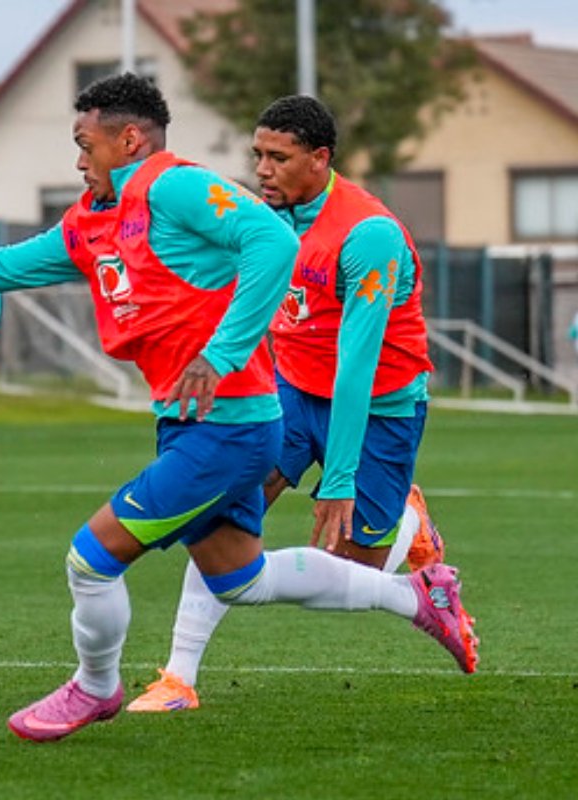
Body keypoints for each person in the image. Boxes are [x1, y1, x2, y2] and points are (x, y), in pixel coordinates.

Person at [0, 73, 478, 742]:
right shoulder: (92, 219)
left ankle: (95, 687)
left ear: (129, 139)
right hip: (203, 418)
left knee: (90, 558)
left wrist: (225, 355)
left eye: (86, 144)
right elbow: (4, 266)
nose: (78, 160)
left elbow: (273, 245)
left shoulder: (172, 185)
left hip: (235, 422)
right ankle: (417, 596)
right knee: (238, 579)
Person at [127, 94, 461, 714]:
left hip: (377, 408)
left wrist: (336, 481)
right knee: (223, 515)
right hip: (290, 394)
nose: (262, 169)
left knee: (353, 565)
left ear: (320, 159)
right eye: (257, 155)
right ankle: (178, 678)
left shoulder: (369, 237)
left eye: (278, 157)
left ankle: (409, 528)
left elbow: (357, 369)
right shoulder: (265, 220)